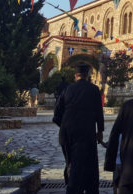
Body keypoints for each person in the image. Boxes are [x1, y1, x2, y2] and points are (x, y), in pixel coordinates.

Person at [53, 64, 104, 194]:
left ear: (75, 76)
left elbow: (57, 114)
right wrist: (100, 132)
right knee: (88, 164)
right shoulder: (94, 90)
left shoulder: (67, 90)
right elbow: (99, 112)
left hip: (67, 134)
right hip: (86, 133)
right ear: (87, 75)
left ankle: (73, 186)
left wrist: (65, 126)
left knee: (72, 162)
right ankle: (85, 188)